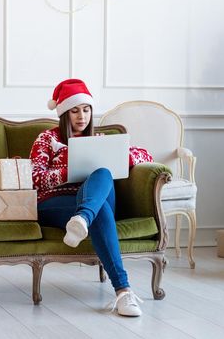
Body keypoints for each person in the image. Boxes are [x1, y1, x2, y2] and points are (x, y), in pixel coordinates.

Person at [29, 79, 153, 317]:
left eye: (86, 110)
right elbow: (35, 178)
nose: (81, 117)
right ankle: (123, 291)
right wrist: (69, 170)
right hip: (55, 202)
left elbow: (145, 154)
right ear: (64, 113)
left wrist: (115, 159)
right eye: (74, 111)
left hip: (87, 203)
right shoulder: (47, 138)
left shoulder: (100, 140)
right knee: (101, 211)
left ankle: (83, 219)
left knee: (104, 172)